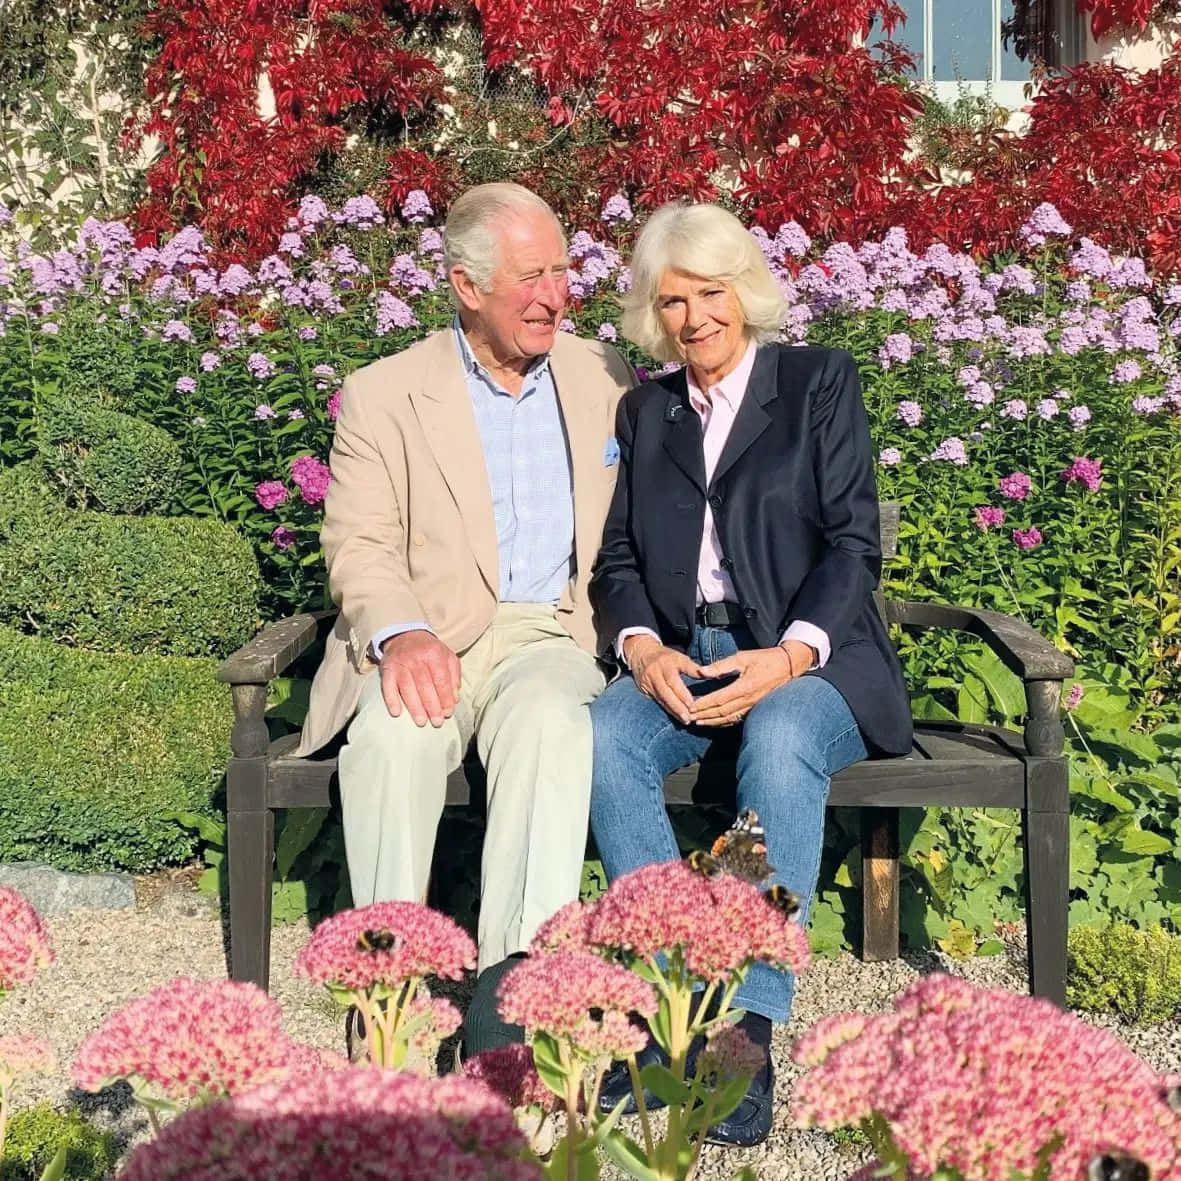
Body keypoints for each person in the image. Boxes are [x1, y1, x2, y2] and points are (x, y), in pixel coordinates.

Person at [587, 202, 912, 1146]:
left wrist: (787, 653)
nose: (695, 319)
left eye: (711, 293)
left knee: (779, 732)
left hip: (813, 659)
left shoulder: (814, 381)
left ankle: (746, 1028)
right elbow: (615, 561)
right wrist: (641, 645)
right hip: (684, 654)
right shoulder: (646, 409)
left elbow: (852, 541)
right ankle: (666, 1006)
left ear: (745, 292)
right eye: (674, 302)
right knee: (603, 735)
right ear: (655, 316)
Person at [296, 182, 633, 1056]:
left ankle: (511, 989)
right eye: (529, 276)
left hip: (550, 632)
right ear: (464, 285)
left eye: (561, 269)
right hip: (429, 632)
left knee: (555, 725)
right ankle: (389, 985)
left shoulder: (604, 375)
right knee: (390, 740)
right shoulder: (386, 392)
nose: (552, 293)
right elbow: (359, 540)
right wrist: (399, 631)